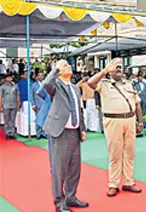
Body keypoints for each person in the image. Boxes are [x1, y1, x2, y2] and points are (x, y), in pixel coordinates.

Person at [87, 58, 144, 197]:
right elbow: (90, 83)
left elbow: (137, 104)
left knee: (129, 153)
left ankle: (128, 182)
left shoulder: (129, 84)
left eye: (120, 67)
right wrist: (105, 70)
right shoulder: (104, 84)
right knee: (115, 154)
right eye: (115, 67)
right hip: (113, 121)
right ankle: (113, 184)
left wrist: (140, 122)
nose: (118, 69)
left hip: (130, 120)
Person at [42, 59, 88, 212]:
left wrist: (82, 129)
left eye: (68, 65)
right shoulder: (56, 85)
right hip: (60, 132)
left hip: (74, 132)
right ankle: (59, 202)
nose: (68, 66)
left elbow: (79, 109)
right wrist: (55, 68)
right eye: (65, 65)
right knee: (59, 169)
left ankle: (71, 197)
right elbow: (46, 84)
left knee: (74, 169)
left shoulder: (75, 88)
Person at [0, 74, 20, 139]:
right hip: (6, 105)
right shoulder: (2, 87)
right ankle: (7, 133)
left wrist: (18, 105)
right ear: (5, 79)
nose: (10, 78)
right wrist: (0, 106)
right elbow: (0, 97)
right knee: (7, 120)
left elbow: (17, 96)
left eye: (10, 77)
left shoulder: (15, 86)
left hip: (14, 105)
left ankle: (12, 133)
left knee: (13, 120)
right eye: (8, 77)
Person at [31, 71, 48, 139]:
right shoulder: (34, 85)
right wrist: (33, 104)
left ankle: (43, 133)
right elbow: (31, 95)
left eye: (42, 75)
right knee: (38, 119)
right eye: (39, 75)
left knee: (44, 119)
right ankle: (38, 133)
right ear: (37, 77)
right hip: (38, 105)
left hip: (45, 104)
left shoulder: (45, 84)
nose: (41, 77)